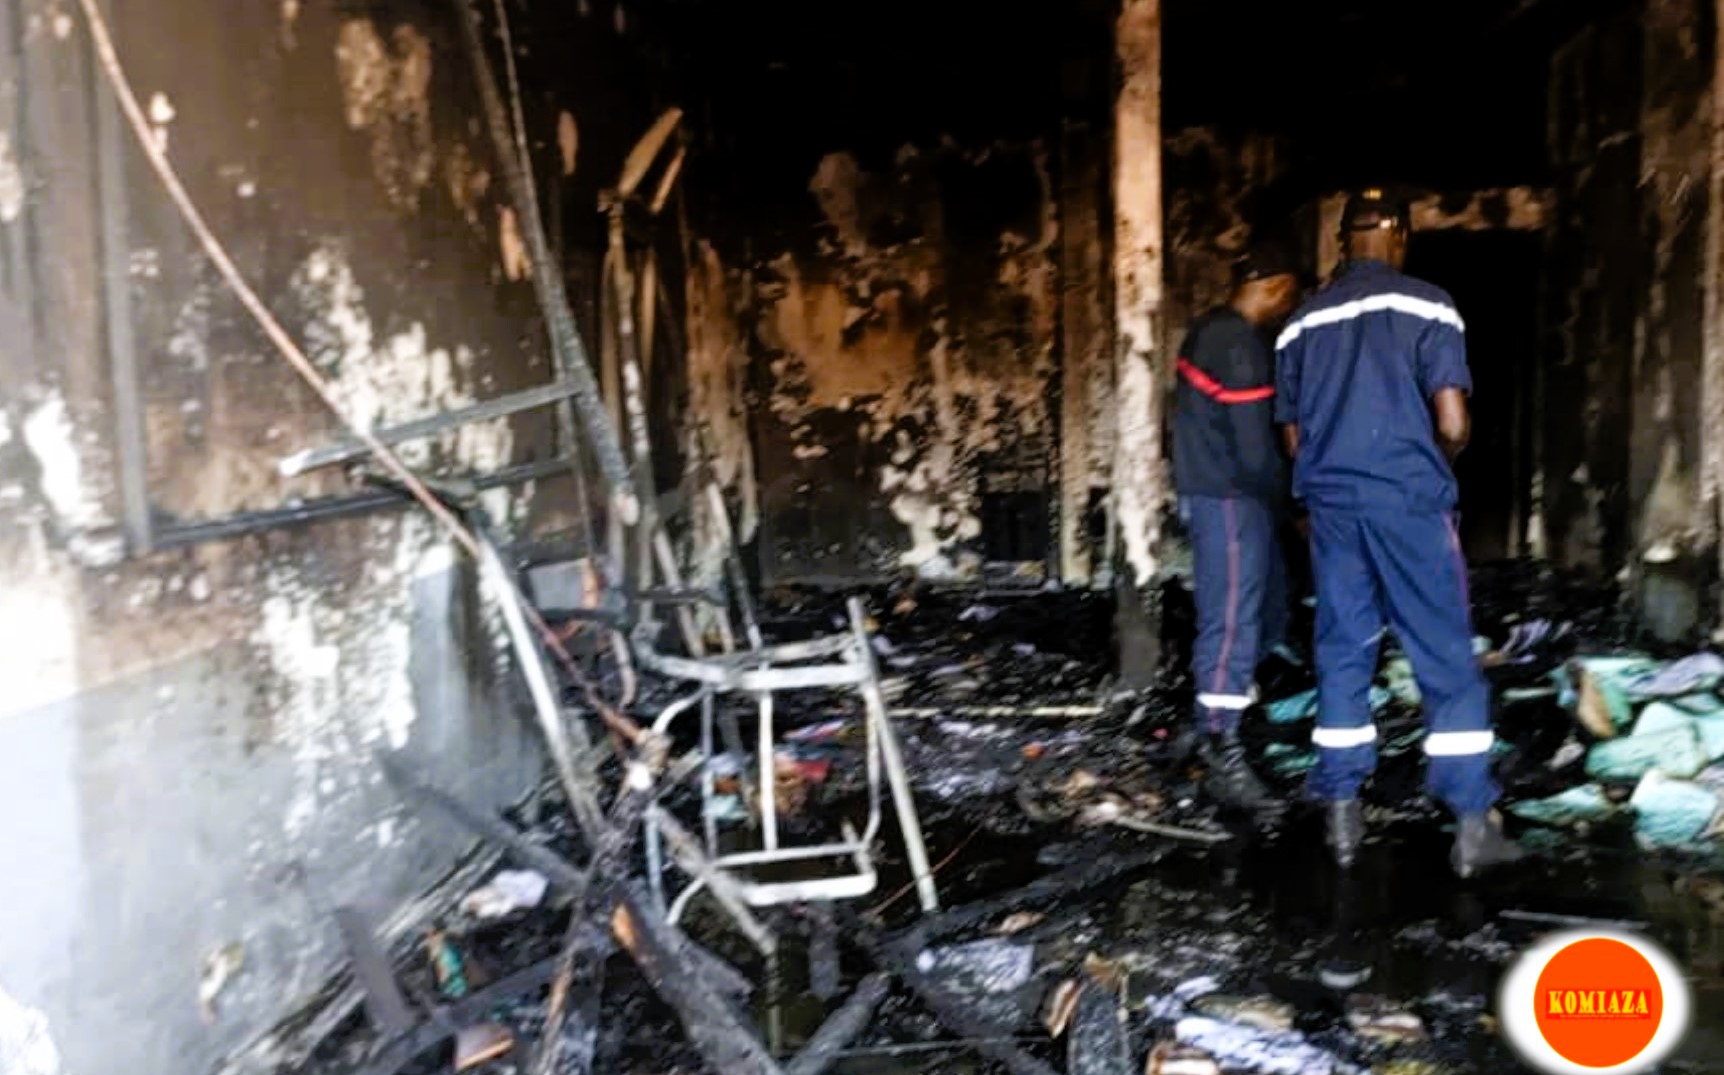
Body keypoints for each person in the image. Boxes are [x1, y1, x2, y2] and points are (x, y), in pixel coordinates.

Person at [1273, 189, 1523, 877]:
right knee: (1443, 651)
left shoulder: (1299, 323)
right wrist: (1427, 469)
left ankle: (1342, 814)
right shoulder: (1428, 304)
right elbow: (1453, 422)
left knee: (1343, 648)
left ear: (1342, 241)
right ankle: (1470, 826)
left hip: (1333, 507)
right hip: (1408, 501)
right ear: (1401, 236)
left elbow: (1293, 439)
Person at [1172, 244, 1302, 812]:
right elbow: (1254, 452)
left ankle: (1208, 722)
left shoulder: (1208, 330)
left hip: (1216, 492)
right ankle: (1219, 747)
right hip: (1230, 497)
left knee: (1259, 611)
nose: (1290, 305)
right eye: (1291, 293)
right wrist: (1293, 501)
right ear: (1275, 287)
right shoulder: (1238, 344)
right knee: (1230, 621)